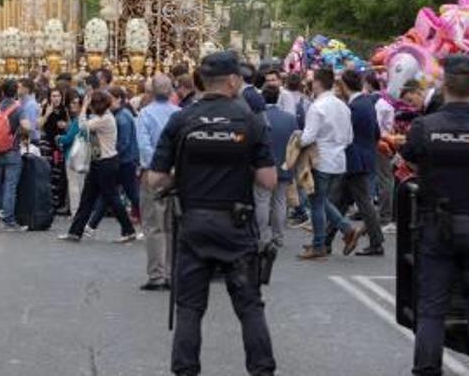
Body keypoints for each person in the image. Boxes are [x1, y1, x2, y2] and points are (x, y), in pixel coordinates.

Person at [148, 51, 277, 376]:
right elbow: (268, 180)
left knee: (189, 308)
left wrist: (184, 175)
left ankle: (185, 371)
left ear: (200, 81)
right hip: (236, 224)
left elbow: (155, 179)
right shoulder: (250, 120)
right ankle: (262, 371)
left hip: (194, 223)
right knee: (250, 307)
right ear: (233, 80)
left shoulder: (181, 119)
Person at [400, 55, 469, 376]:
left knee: (432, 307)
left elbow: (409, 162)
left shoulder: (425, 127)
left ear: (444, 84)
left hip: (437, 224)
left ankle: (427, 369)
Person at [297, 67, 362, 260]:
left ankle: (321, 244)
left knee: (316, 202)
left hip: (320, 160)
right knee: (320, 200)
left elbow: (308, 137)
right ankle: (342, 231)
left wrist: (296, 140)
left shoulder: (317, 107)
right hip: (339, 161)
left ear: (316, 83)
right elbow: (350, 138)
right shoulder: (343, 105)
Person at [58, 90, 137, 243]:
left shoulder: (105, 119)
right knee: (89, 198)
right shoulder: (104, 117)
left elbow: (82, 126)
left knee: (112, 198)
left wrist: (83, 107)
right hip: (101, 161)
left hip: (105, 163)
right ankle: (75, 232)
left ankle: (128, 230)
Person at [325, 70, 385, 255]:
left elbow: (343, 135)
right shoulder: (366, 103)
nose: (337, 89)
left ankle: (376, 243)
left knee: (363, 203)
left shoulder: (355, 107)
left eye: (338, 85)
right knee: (340, 201)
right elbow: (376, 133)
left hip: (354, 160)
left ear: (344, 86)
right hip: (361, 158)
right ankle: (325, 241)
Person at [135, 74, 180, 291]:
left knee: (153, 225)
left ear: (151, 91)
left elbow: (144, 146)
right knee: (172, 224)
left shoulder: (145, 114)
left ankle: (157, 274)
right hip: (174, 174)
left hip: (152, 173)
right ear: (172, 91)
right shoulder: (179, 114)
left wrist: (155, 167)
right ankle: (172, 272)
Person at [86, 86, 141, 231]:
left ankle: (145, 223)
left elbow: (123, 143)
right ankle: (92, 225)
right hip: (123, 160)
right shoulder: (121, 115)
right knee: (109, 193)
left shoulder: (121, 118)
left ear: (119, 99)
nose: (108, 103)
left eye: (111, 99)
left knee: (129, 194)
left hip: (124, 160)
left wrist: (113, 154)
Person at [0, 80, 27, 230]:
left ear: (3, 92)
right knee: (10, 185)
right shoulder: (18, 108)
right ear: (15, 91)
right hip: (12, 151)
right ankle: (9, 219)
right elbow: (26, 125)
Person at [260, 84, 297, 247]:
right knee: (280, 201)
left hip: (263, 166)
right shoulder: (290, 118)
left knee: (262, 200)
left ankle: (261, 236)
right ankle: (278, 235)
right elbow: (295, 143)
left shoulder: (259, 116)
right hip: (284, 164)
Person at [364, 72, 395, 229]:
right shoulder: (385, 104)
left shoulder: (370, 102)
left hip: (373, 142)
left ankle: (379, 214)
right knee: (384, 179)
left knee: (376, 178)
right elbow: (389, 127)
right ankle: (384, 214)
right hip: (382, 142)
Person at [38, 88, 70, 214]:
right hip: (48, 145)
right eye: (53, 96)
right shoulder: (45, 108)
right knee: (49, 172)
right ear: (50, 97)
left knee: (59, 173)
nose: (56, 98)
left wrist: (65, 125)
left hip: (60, 144)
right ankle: (49, 202)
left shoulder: (64, 109)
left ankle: (57, 202)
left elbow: (70, 124)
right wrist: (47, 114)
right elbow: (38, 125)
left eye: (58, 96)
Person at [57, 92, 84, 216]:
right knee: (80, 184)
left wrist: (59, 138)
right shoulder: (83, 119)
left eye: (75, 103)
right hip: (82, 155)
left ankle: (75, 211)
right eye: (71, 103)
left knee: (74, 185)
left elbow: (69, 138)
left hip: (73, 155)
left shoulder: (77, 120)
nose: (72, 105)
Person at [18, 78, 41, 143]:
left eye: (19, 87)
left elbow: (31, 127)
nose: (17, 90)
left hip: (30, 140)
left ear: (26, 89)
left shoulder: (31, 105)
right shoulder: (23, 102)